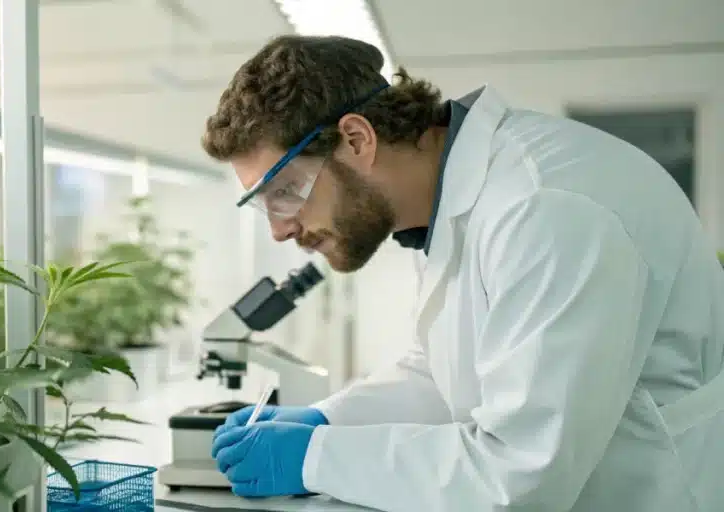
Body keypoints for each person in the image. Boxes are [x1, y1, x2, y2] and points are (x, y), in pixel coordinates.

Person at [203, 34, 724, 512]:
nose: (280, 229)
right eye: (263, 204)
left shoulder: (544, 209)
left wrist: (316, 457)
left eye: (285, 191)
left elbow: (522, 473)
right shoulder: (442, 202)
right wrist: (329, 418)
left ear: (358, 139)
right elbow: (442, 372)